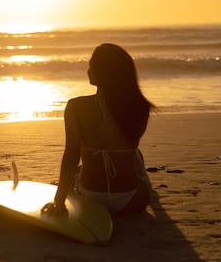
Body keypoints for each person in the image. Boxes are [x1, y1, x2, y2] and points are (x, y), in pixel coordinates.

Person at [42, 43, 155, 214]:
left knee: (84, 165)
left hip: (90, 197)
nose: (88, 70)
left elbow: (72, 155)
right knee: (135, 153)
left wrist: (59, 201)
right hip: (132, 200)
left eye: (91, 65)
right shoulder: (140, 106)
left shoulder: (75, 107)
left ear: (102, 71)